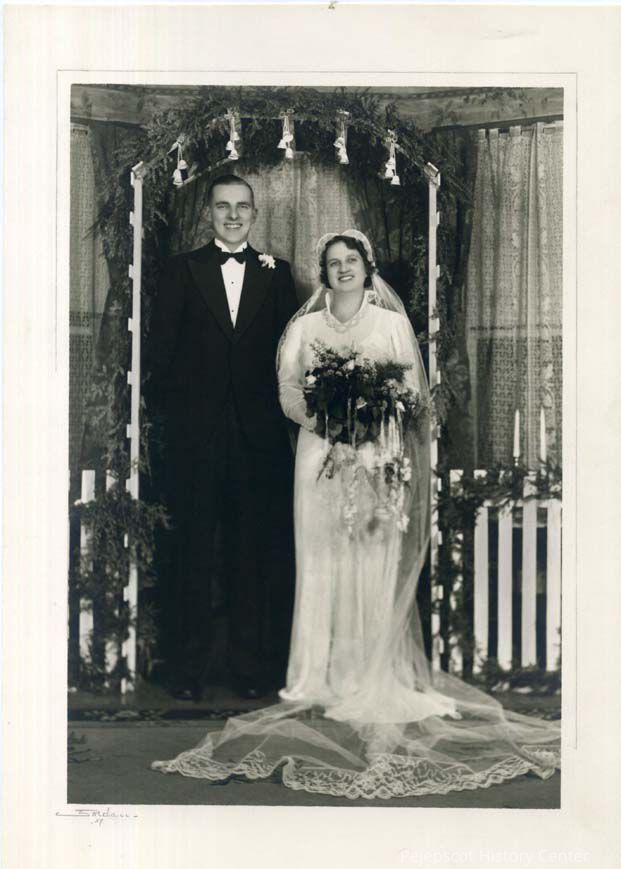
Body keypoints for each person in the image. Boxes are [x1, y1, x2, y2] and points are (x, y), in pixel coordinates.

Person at [152, 231, 560, 799]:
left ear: (368, 268)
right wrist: (323, 418)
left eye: (351, 261)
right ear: (322, 272)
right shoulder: (304, 328)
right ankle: (315, 675)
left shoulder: (389, 325)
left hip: (375, 458)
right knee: (321, 559)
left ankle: (369, 674)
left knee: (370, 558)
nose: (342, 269)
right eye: (332, 262)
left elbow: (412, 396)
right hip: (320, 457)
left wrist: (371, 421)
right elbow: (286, 389)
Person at [146, 174, 298, 701]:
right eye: (222, 206)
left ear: (254, 214)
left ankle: (250, 671)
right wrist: (181, 418)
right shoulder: (181, 269)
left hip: (258, 439)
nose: (233, 215)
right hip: (195, 437)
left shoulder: (278, 274)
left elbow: (288, 357)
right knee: (191, 551)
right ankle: (186, 670)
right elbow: (160, 354)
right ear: (208, 213)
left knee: (250, 552)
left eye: (242, 207)